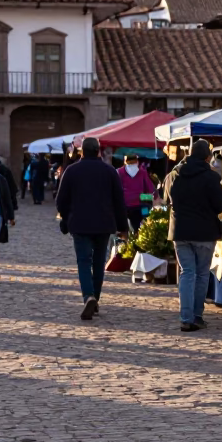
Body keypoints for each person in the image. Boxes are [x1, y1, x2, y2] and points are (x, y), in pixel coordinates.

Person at [56, 137, 130, 321]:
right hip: (104, 224)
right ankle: (95, 298)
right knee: (98, 262)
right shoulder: (109, 171)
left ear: (81, 151)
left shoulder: (72, 171)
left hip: (80, 224)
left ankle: (88, 296)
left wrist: (66, 218)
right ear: (98, 151)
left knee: (83, 260)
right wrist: (122, 227)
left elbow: (61, 201)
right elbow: (119, 202)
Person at [163, 139, 222, 332]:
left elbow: (166, 199)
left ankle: (186, 317)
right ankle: (197, 316)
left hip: (180, 231)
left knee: (187, 273)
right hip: (204, 232)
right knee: (201, 274)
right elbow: (220, 206)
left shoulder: (174, 175)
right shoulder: (211, 177)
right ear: (207, 157)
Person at [118, 153, 154, 232]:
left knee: (123, 231)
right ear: (137, 162)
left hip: (124, 208)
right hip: (140, 207)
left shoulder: (119, 172)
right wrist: (151, 196)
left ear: (125, 162)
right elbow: (151, 189)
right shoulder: (142, 172)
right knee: (145, 219)